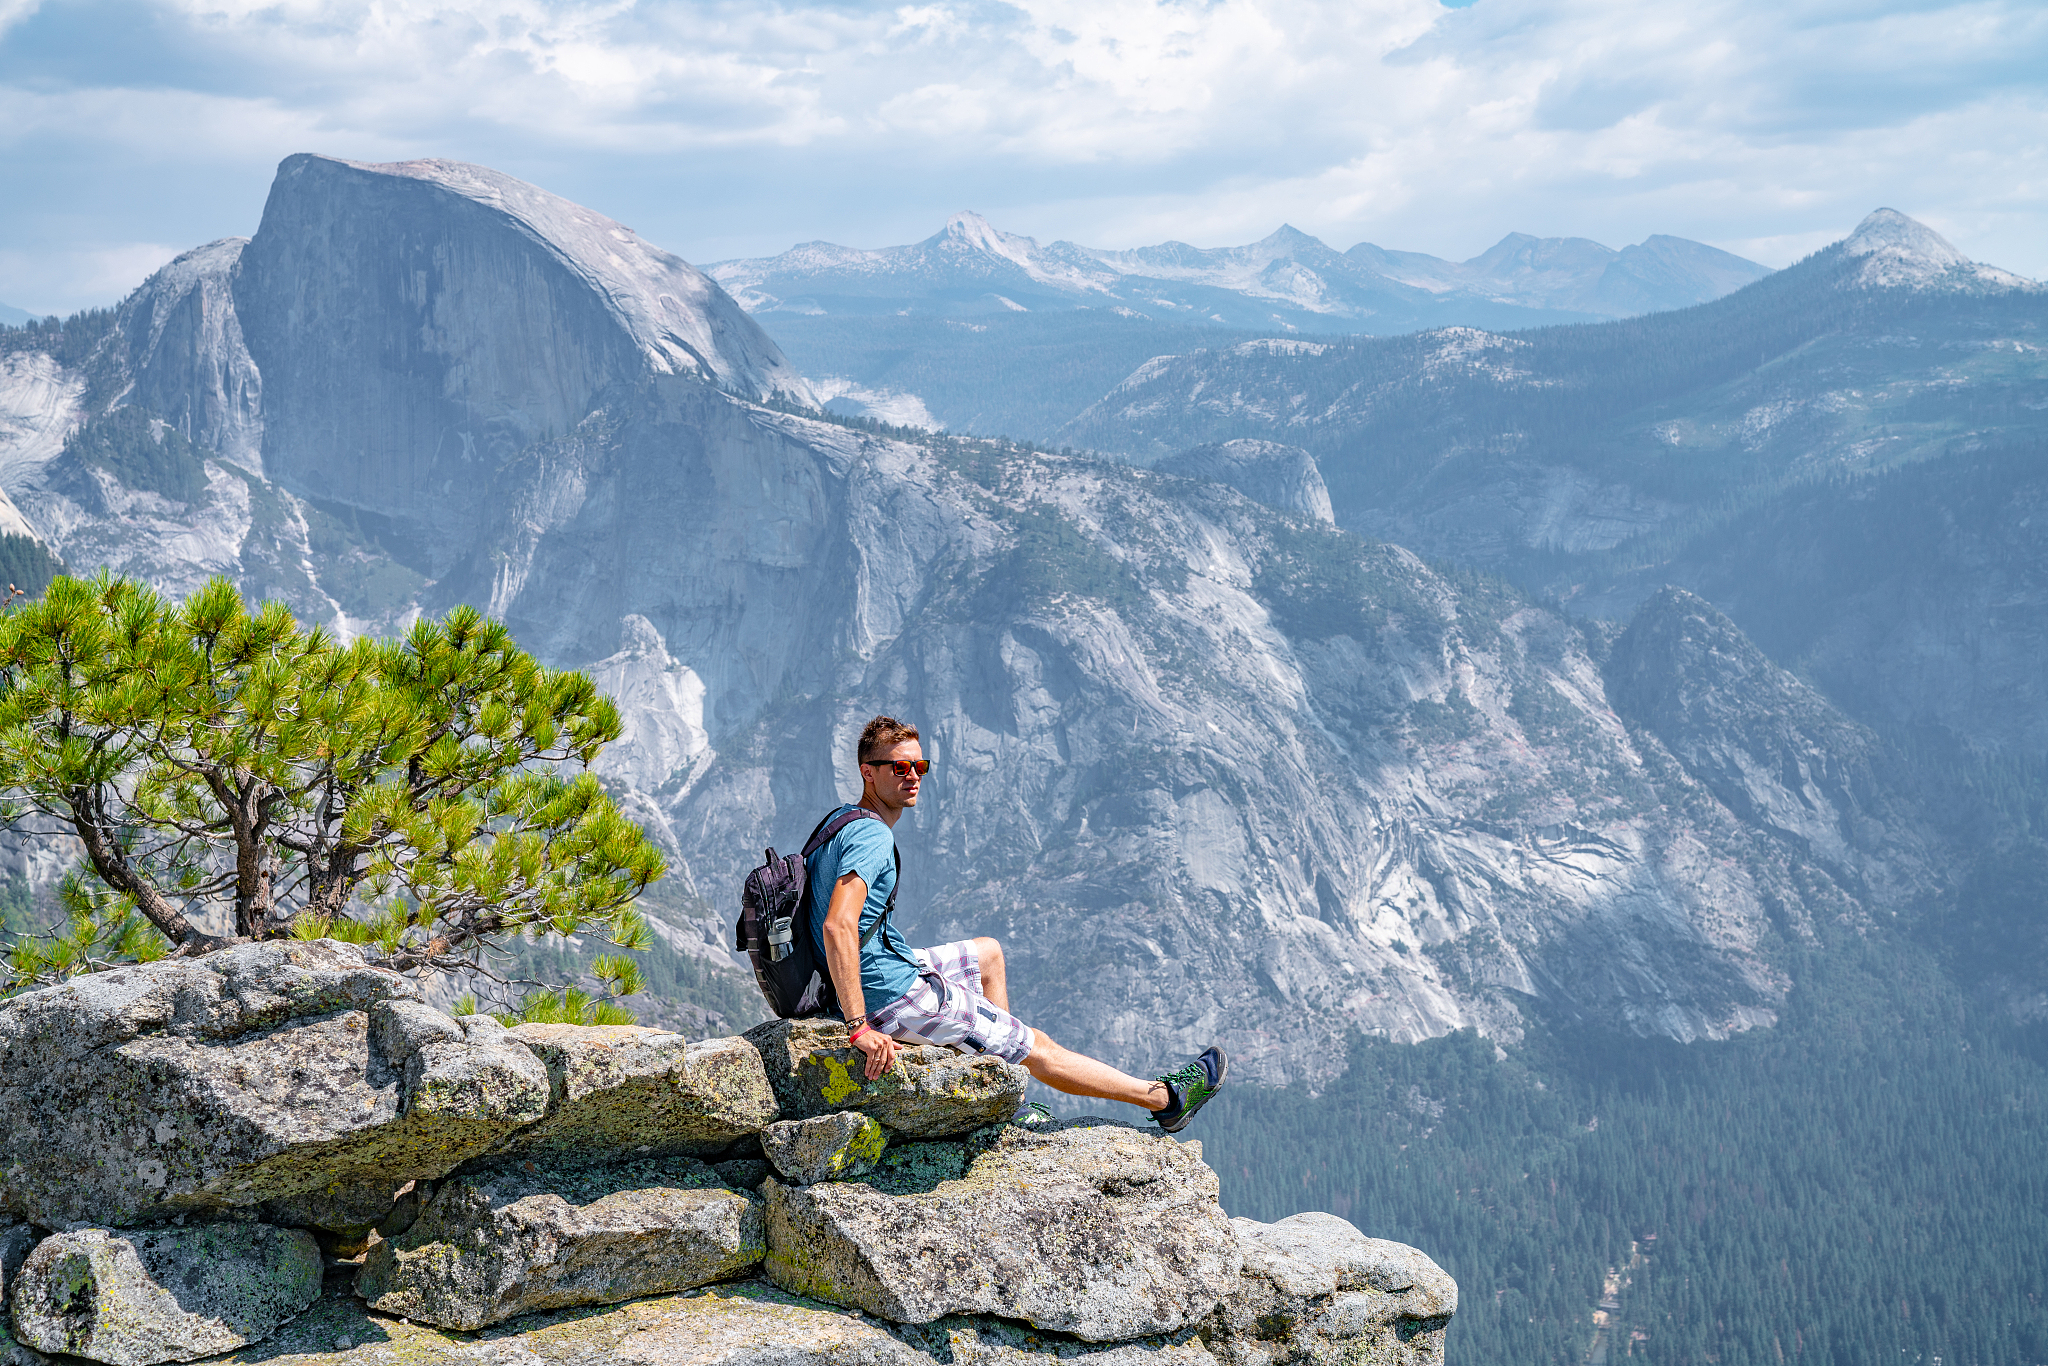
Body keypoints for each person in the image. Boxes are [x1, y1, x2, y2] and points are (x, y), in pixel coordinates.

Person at [808, 714, 1227, 1132]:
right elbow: (837, 926)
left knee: (988, 953)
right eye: (900, 767)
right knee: (1036, 1046)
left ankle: (1007, 1093)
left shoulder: (840, 821)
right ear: (868, 773)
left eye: (921, 766)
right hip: (890, 993)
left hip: (882, 962)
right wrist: (858, 1027)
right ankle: (1165, 1099)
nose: (913, 776)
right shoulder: (873, 837)